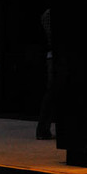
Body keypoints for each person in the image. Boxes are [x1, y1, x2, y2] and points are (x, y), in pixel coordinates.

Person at [36, 8, 55, 140]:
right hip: (55, 56)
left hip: (53, 55)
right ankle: (43, 129)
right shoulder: (49, 14)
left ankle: (43, 129)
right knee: (53, 92)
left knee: (53, 92)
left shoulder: (47, 14)